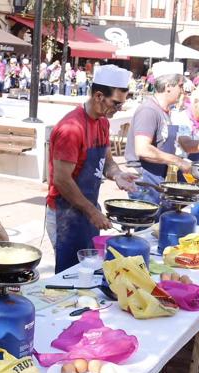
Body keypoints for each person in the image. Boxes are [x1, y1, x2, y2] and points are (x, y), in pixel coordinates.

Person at [46, 65, 136, 273]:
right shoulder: (71, 128)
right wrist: (92, 211)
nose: (118, 109)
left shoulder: (103, 123)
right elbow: (62, 180)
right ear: (98, 96)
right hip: (65, 214)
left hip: (86, 209)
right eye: (115, 103)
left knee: (88, 271)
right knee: (70, 274)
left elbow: (107, 161)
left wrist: (117, 174)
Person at [125, 61, 191, 206]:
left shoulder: (165, 111)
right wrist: (178, 161)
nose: (182, 91)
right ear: (168, 86)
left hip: (159, 177)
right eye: (180, 86)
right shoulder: (149, 110)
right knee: (148, 227)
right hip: (146, 181)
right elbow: (143, 149)